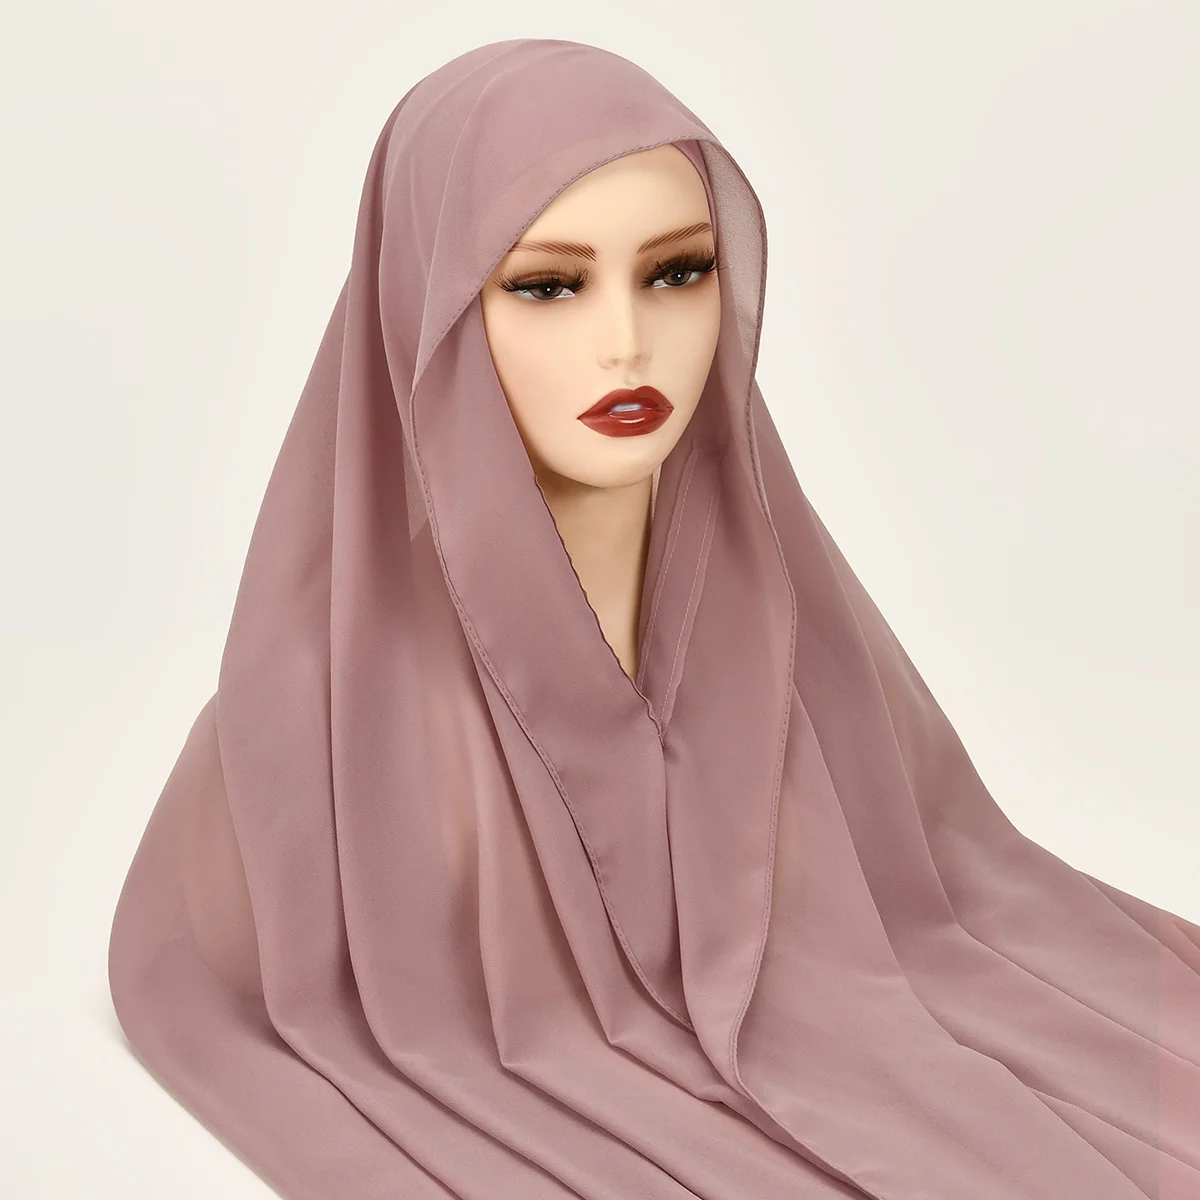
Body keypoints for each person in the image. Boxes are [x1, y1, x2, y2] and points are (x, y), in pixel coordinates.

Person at [108, 38, 1200, 1200]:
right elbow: (206, 970)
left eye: (678, 272)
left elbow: (943, 900)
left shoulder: (790, 620)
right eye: (547, 286)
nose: (627, 343)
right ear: (427, 309)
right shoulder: (314, 718)